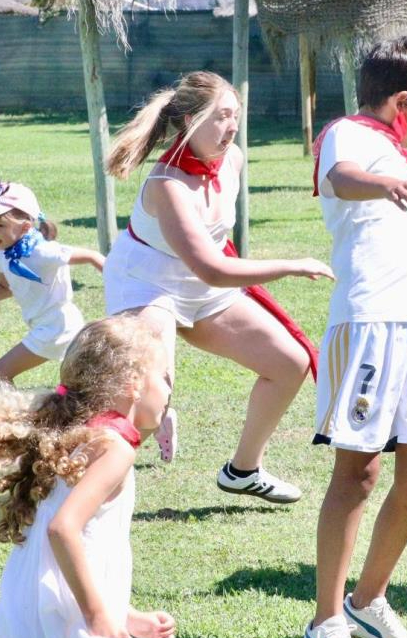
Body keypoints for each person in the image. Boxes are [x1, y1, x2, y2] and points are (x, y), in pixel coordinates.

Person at [300, 38, 407, 638]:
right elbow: (341, 179)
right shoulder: (349, 135)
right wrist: (390, 181)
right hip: (370, 327)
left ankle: (368, 601)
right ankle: (325, 621)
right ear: (400, 102)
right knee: (358, 473)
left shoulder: (393, 150)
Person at [102, 70, 333, 489]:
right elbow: (213, 267)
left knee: (289, 363)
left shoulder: (236, 159)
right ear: (190, 121)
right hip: (146, 282)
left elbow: (212, 258)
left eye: (236, 116)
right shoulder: (167, 184)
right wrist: (291, 264)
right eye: (221, 116)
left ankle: (243, 471)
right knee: (149, 402)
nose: (231, 128)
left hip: (203, 287)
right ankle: (85, 485)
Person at [0, 315, 176, 638]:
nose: (168, 388)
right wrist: (99, 616)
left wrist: (126, 618)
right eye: (163, 376)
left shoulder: (74, 440)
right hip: (61, 621)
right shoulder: (113, 449)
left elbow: (63, 561)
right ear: (133, 384)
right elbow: (62, 530)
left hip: (29, 612)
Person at [0, 180, 104, 384]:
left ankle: (8, 414)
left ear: (26, 227)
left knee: (1, 371)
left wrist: (117, 279)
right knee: (78, 383)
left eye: (1, 225)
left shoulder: (43, 251)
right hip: (46, 324)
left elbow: (92, 256)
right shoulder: (2, 253)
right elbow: (5, 288)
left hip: (57, 324)